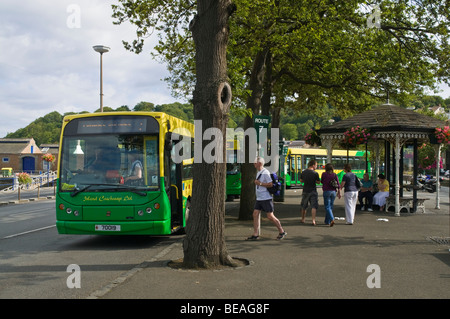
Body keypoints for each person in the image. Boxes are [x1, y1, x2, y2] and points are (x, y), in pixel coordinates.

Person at [247, 157, 287, 240]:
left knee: (270, 216)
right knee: (255, 214)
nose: (254, 164)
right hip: (259, 198)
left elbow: (270, 184)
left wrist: (260, 183)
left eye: (255, 163)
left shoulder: (265, 172)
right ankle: (255, 234)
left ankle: (281, 231)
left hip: (266, 198)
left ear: (260, 164)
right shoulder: (259, 172)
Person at [300, 159, 320, 225]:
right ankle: (313, 220)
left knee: (304, 206)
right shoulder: (315, 173)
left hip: (305, 190)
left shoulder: (304, 172)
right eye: (316, 165)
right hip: (313, 191)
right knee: (313, 206)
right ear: (313, 165)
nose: (316, 167)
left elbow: (301, 180)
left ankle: (303, 219)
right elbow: (318, 182)